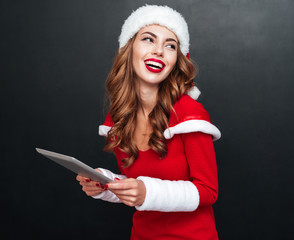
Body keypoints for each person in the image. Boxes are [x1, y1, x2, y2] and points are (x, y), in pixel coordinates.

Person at [76, 5, 221, 240]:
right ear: (129, 48)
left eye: (170, 45)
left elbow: (208, 191)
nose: (159, 51)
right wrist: (105, 183)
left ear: (177, 60)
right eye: (148, 39)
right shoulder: (118, 118)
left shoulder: (189, 115)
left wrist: (147, 192)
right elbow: (136, 184)